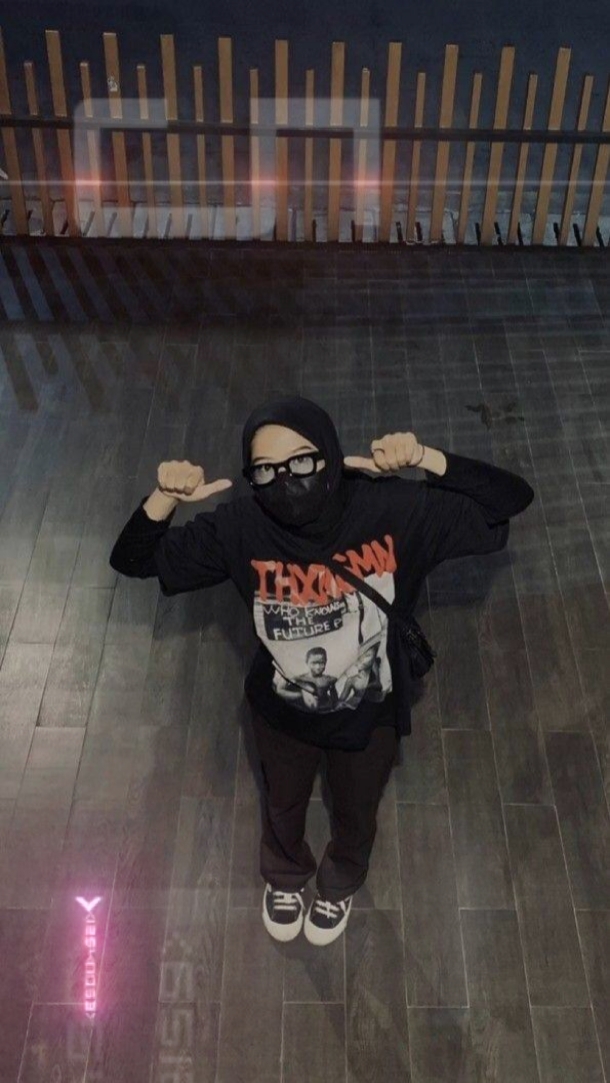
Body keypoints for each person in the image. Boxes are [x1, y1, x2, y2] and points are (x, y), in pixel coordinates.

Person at [109, 394, 535, 947]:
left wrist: (426, 458)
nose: (286, 480)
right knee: (281, 803)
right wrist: (164, 497)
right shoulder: (241, 527)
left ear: (330, 456)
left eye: (302, 461)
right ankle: (285, 875)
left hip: (370, 715)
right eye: (266, 470)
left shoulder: (392, 510)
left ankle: (340, 882)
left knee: (357, 808)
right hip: (280, 715)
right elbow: (133, 560)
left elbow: (509, 500)